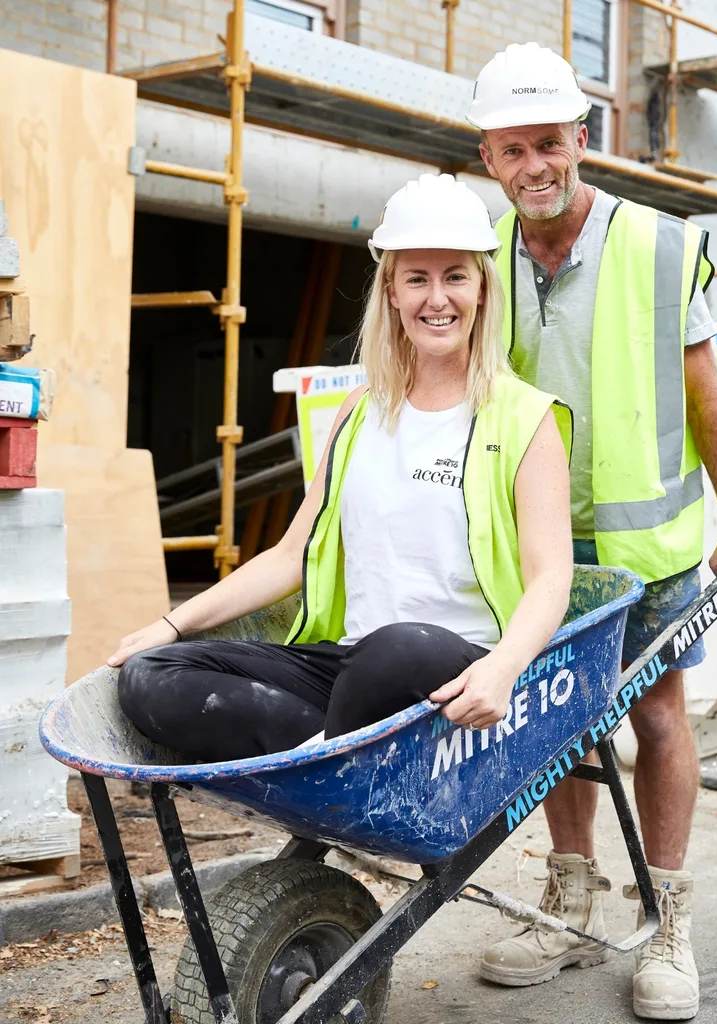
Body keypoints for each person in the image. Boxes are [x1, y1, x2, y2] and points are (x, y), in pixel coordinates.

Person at [466, 43, 717, 1020]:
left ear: (580, 140)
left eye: (548, 143)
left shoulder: (652, 243)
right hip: (539, 544)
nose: (534, 166)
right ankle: (566, 898)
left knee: (656, 718)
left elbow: (707, 398)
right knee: (556, 726)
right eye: (512, 149)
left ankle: (665, 916)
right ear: (488, 158)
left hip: (646, 546)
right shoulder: (479, 255)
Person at [108, 172, 574, 767]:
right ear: (392, 292)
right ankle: (330, 758)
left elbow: (551, 578)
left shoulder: (524, 419)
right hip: (347, 664)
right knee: (151, 675)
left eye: (455, 276)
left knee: (398, 647)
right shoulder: (360, 410)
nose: (437, 298)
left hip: (455, 670)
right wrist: (171, 625)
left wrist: (502, 670)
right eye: (417, 279)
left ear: (482, 289)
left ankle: (324, 759)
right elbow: (289, 556)